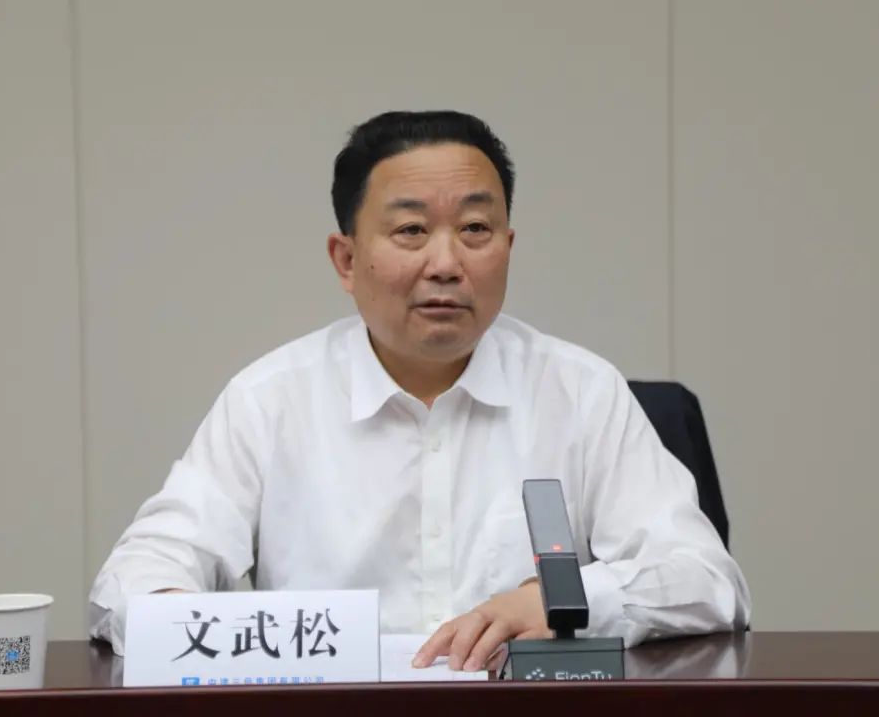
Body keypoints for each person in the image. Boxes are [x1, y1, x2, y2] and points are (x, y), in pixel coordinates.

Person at [88, 110, 751, 671]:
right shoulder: (270, 401)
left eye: (475, 230)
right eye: (411, 231)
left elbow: (707, 581)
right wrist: (186, 624)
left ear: (508, 246)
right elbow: (136, 577)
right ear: (347, 259)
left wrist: (563, 601)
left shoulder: (580, 392)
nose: (446, 263)